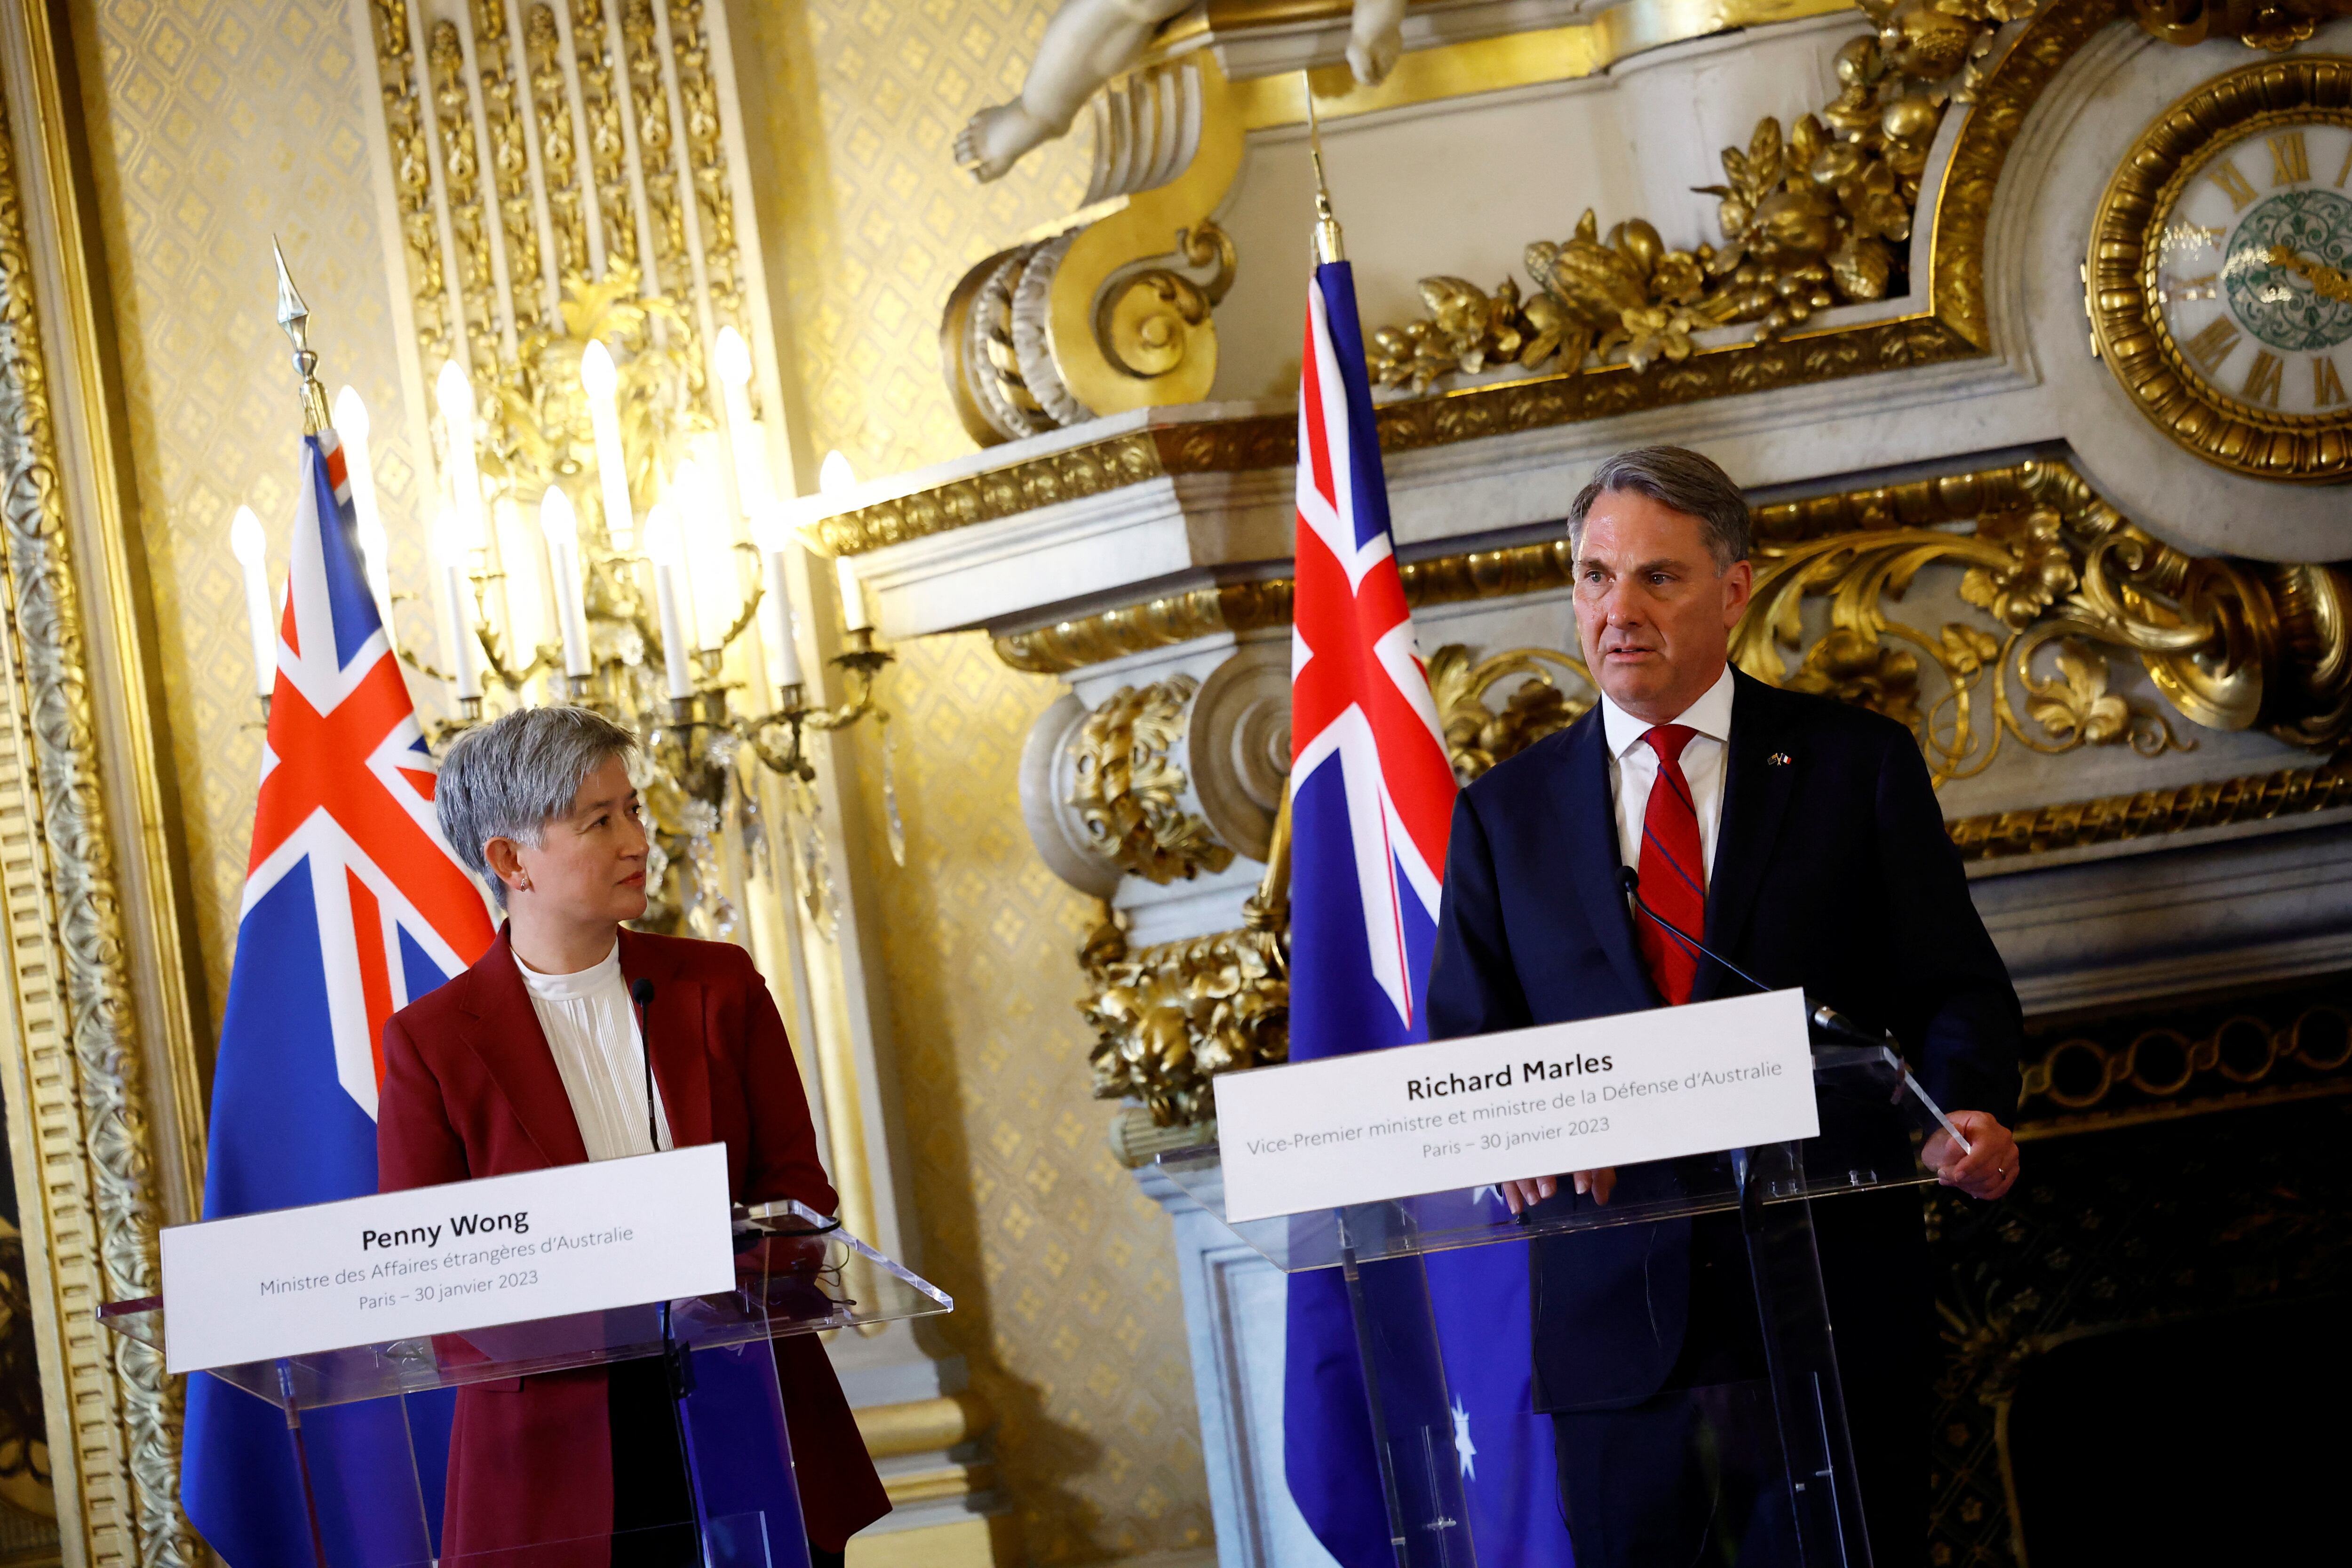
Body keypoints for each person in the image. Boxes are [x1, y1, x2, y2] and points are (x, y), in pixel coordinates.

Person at [1426, 446, 2023, 1566]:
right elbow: (1468, 1039)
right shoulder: (1504, 815)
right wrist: (1520, 1132)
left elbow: (1953, 984)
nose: (1619, 608)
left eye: (1658, 577)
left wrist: (1970, 1105)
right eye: (1595, 576)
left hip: (1825, 1301)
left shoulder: (1854, 765)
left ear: (1734, 589)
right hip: (1616, 1322)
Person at [377, 706, 887, 1568]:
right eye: (599, 820)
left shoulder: (717, 986)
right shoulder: (431, 1043)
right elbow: (433, 1273)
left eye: (635, 810)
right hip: (556, 1462)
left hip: (742, 1412)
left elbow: (802, 1194)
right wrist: (605, 1312)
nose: (637, 840)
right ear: (509, 861)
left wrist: (719, 1286)